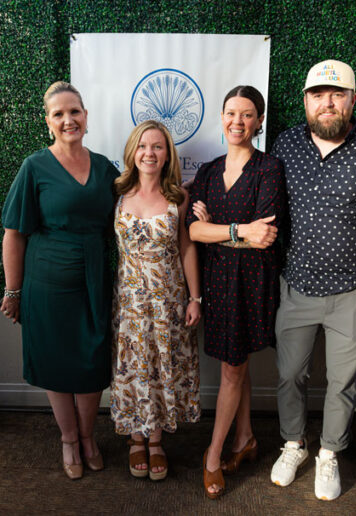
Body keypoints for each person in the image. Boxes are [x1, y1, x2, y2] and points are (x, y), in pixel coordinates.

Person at [270, 59, 356, 501]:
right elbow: (262, 202)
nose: (327, 103)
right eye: (318, 95)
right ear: (306, 101)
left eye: (337, 94)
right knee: (289, 375)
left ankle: (328, 454)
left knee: (342, 383)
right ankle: (294, 445)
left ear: (352, 99)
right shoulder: (285, 146)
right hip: (298, 285)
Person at [1, 81, 119, 480]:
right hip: (46, 282)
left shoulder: (104, 167)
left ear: (86, 116)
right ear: (48, 121)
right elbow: (14, 234)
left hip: (93, 279)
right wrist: (12, 291)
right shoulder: (35, 167)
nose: (68, 119)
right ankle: (69, 438)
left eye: (75, 111)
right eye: (59, 114)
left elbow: (140, 198)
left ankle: (89, 437)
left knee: (91, 359)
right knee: (55, 360)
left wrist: (182, 194)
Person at [186, 85, 285, 498]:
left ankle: (213, 456)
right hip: (218, 282)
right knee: (236, 362)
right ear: (221, 116)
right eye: (231, 113)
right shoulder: (208, 171)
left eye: (247, 115)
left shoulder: (269, 169)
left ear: (259, 121)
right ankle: (245, 438)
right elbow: (193, 231)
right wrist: (240, 229)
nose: (237, 122)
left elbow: (266, 238)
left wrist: (219, 232)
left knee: (232, 368)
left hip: (251, 282)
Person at [110, 120, 201, 481]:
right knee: (135, 366)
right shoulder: (115, 192)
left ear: (167, 155)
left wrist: (195, 298)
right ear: (133, 150)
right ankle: (136, 437)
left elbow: (187, 247)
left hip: (169, 301)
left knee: (164, 366)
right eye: (143, 146)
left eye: (158, 147)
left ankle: (157, 439)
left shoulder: (179, 196)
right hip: (129, 302)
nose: (150, 153)